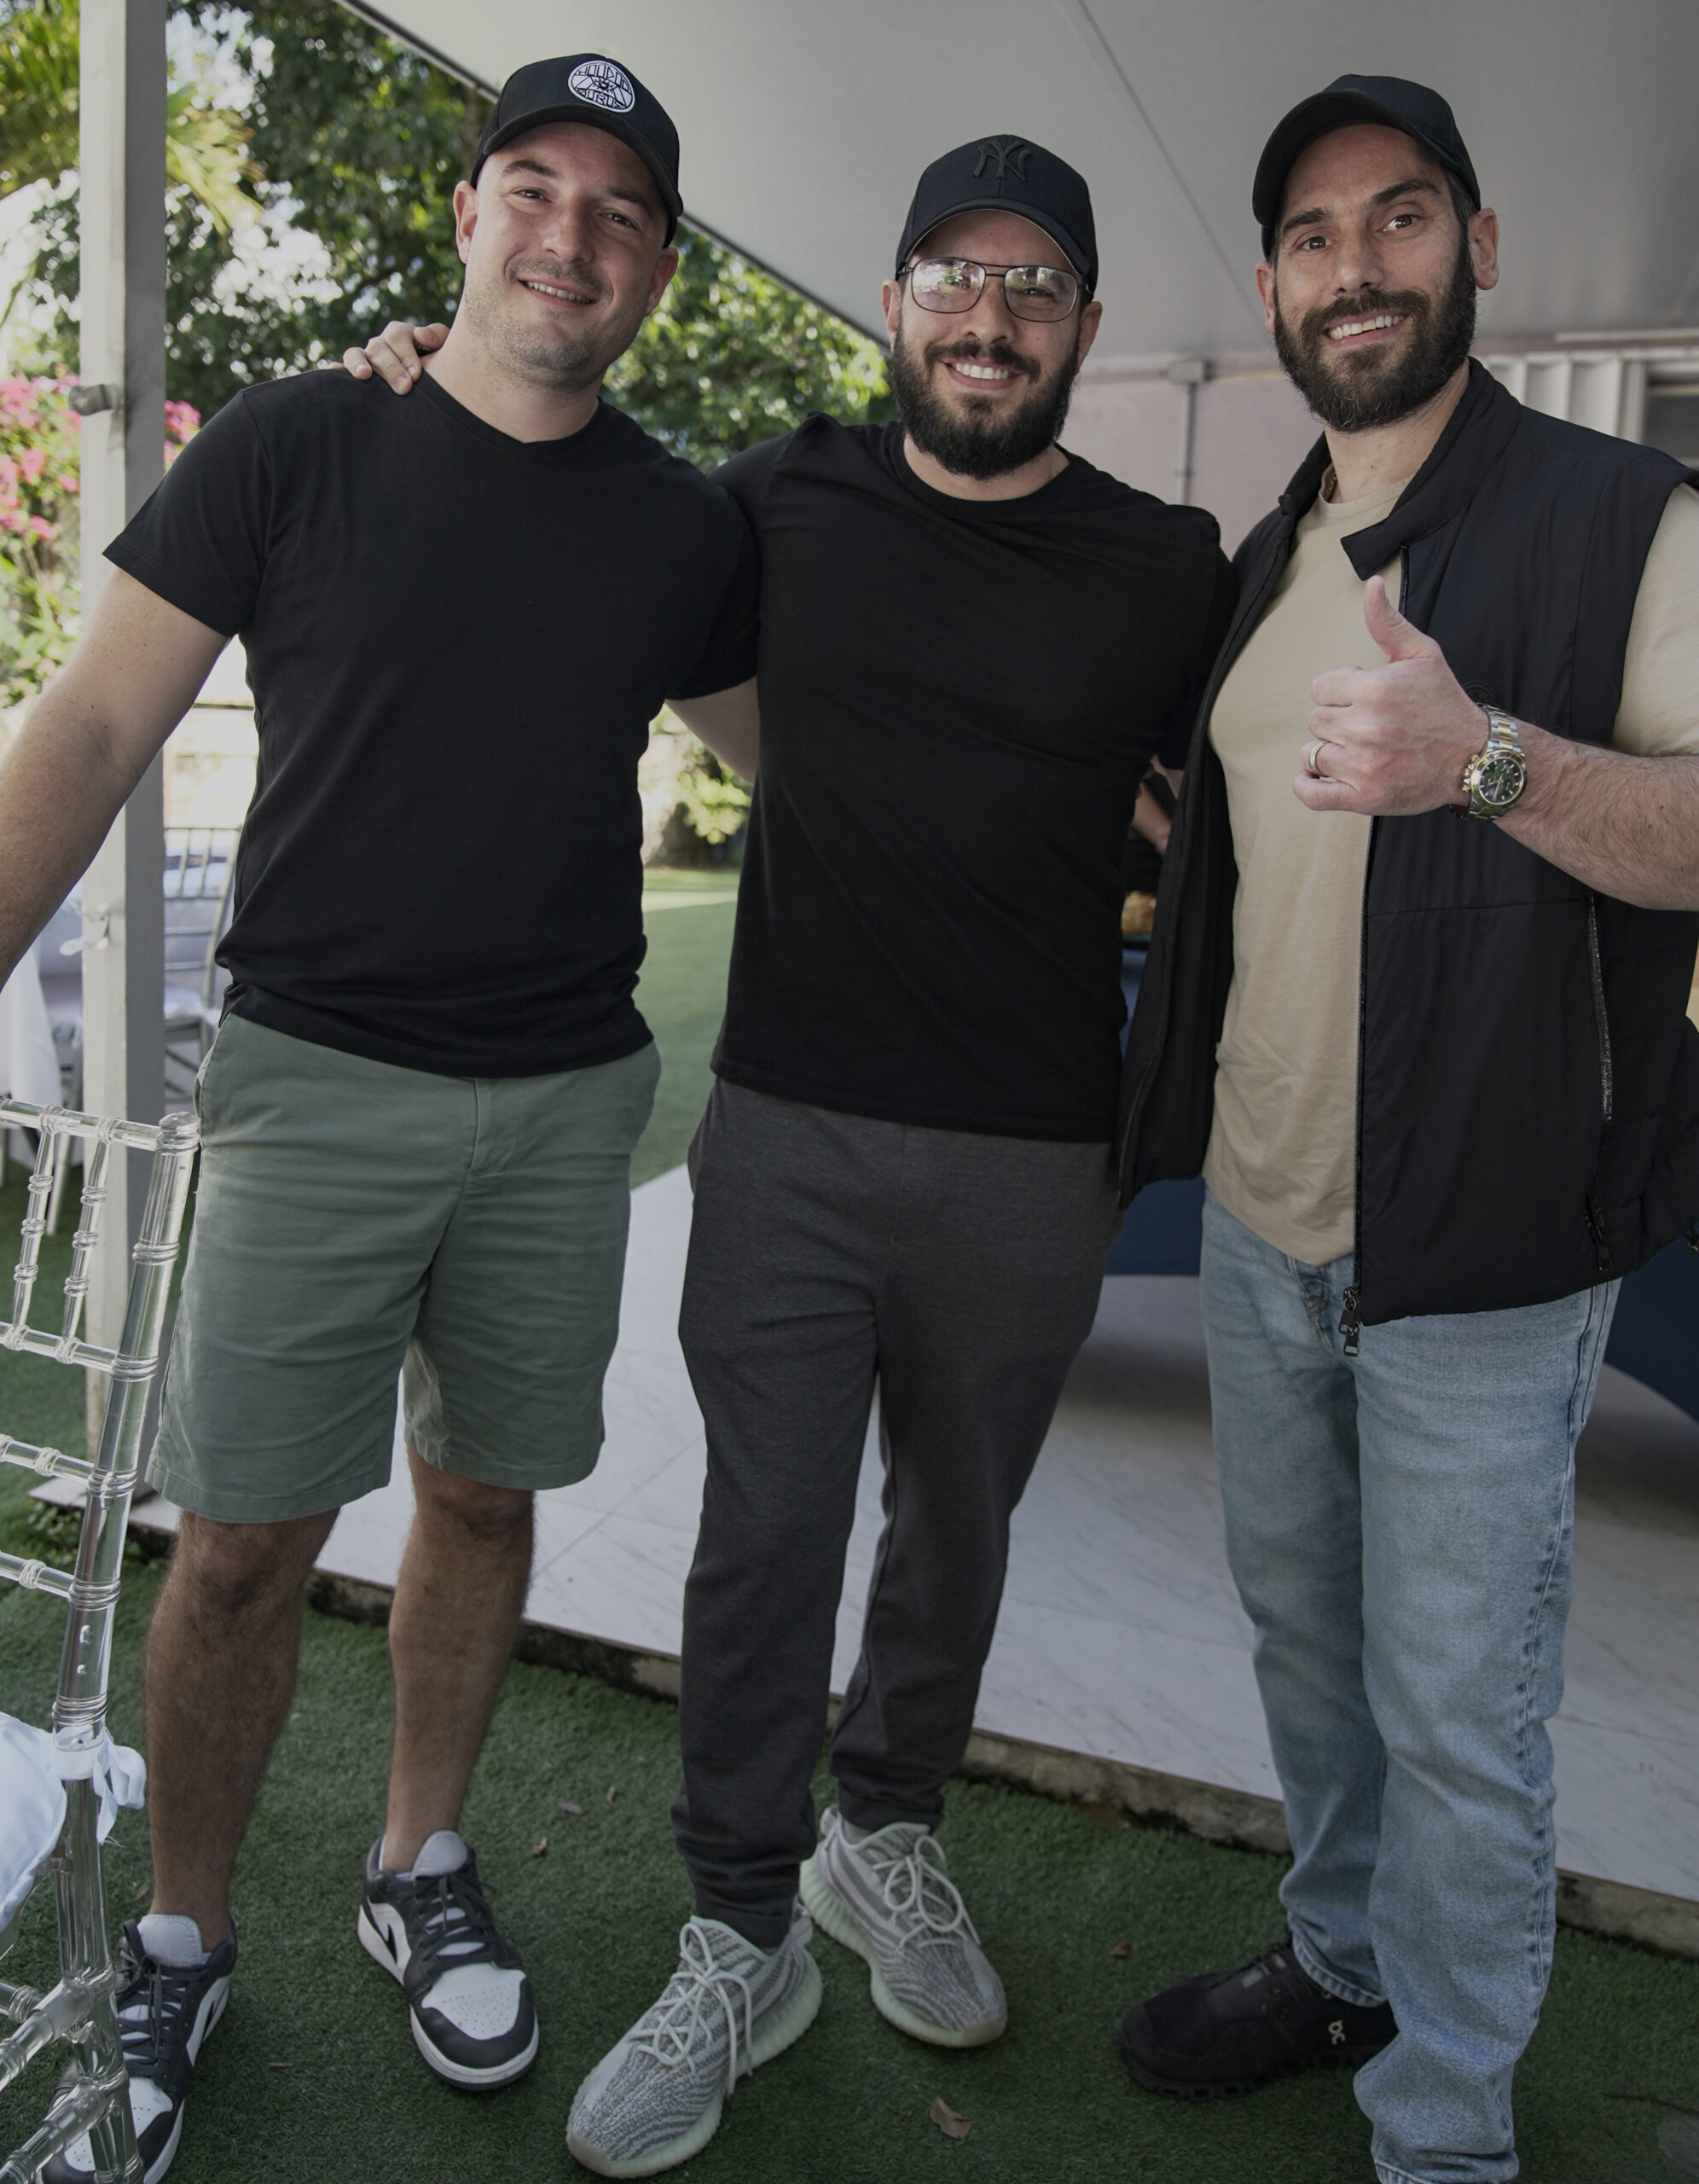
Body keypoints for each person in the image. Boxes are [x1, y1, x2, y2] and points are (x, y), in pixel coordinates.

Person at [354, 131, 1233, 2176]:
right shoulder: (770, 501)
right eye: (956, 275)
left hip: (1037, 1146)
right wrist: (421, 373)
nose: (991, 316)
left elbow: (1235, 784)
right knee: (764, 1536)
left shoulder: (1168, 565)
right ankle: (742, 1925)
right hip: (788, 1129)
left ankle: (882, 1833)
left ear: (1086, 324)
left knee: (960, 1526)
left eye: (1034, 284)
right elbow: (559, 497)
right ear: (896, 298)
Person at [0, 54, 762, 2183]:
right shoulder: (301, 439)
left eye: (619, 211)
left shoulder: (687, 525)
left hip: (568, 1097)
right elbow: (94, 721)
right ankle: (182, 1931)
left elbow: (816, 747)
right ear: (465, 215)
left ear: (658, 270)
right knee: (244, 1538)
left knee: (486, 1499)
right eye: (534, 188)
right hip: (315, 1082)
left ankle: (418, 1856)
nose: (570, 237)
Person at [1113, 75, 1699, 2184]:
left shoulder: (1631, 516)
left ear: (1479, 248)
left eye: (1400, 216)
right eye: (1312, 234)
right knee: (1310, 1648)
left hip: (1489, 1242)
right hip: (1263, 1220)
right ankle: (1344, 1956)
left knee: (1459, 1710)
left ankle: (1444, 2132)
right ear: (1272, 284)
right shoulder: (1268, 553)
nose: (1354, 264)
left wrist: (1487, 762)